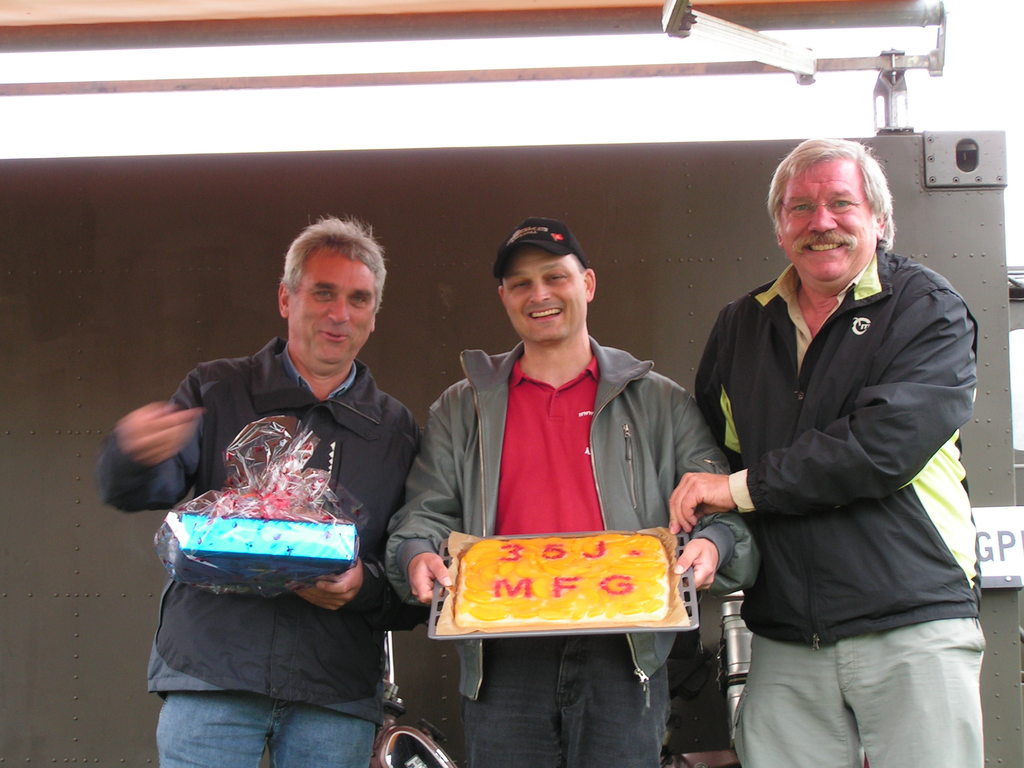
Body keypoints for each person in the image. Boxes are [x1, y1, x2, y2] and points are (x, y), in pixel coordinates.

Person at [385, 216, 757, 768]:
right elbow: (424, 515)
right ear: (504, 297)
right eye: (521, 283)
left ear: (587, 283)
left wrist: (714, 545)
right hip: (501, 660)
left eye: (555, 277)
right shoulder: (460, 409)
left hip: (625, 657)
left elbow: (718, 511)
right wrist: (415, 553)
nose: (539, 295)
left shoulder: (661, 402)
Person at [670, 139, 984, 768]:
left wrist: (735, 490)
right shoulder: (742, 325)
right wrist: (714, 532)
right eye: (801, 208)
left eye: (842, 203)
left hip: (910, 620)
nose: (821, 222)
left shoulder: (926, 309)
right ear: (780, 229)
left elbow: (880, 447)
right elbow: (713, 457)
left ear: (879, 220)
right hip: (787, 635)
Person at [96, 216, 421, 768]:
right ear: (286, 299)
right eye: (323, 293)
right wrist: (132, 454)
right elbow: (145, 489)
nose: (340, 314)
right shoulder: (217, 388)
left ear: (373, 315)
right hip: (212, 678)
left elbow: (408, 566)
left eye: (359, 299)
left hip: (335, 693)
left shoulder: (396, 428)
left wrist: (361, 586)